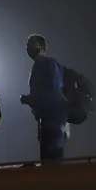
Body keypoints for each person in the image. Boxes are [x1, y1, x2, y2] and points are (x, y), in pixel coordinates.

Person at [20, 34, 68, 163]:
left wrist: (30, 99)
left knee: (52, 158)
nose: (27, 47)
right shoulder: (43, 65)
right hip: (49, 117)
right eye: (27, 44)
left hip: (53, 117)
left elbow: (52, 91)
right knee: (49, 157)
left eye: (31, 43)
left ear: (41, 47)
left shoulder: (47, 63)